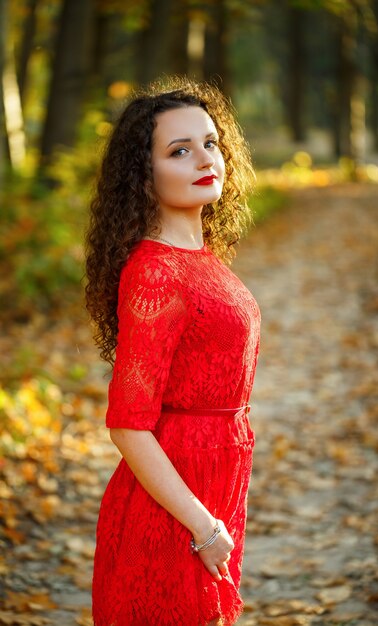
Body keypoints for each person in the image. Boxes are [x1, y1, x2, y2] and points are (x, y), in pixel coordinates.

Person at [85, 76, 261, 626]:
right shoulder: (155, 272)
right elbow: (128, 425)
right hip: (173, 507)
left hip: (215, 478)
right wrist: (202, 526)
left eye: (210, 143)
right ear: (145, 173)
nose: (204, 158)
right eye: (179, 150)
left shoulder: (204, 259)